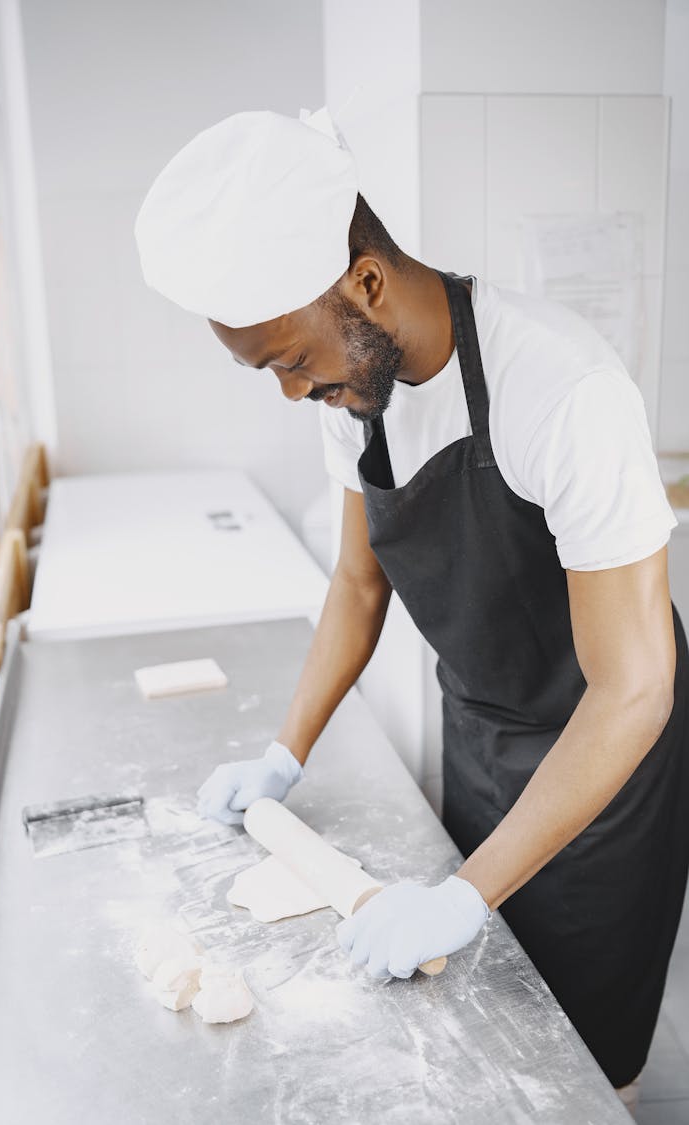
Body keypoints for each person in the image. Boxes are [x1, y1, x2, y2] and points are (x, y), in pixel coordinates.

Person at [134, 107, 689, 1103]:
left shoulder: (563, 393)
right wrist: (284, 753)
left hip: (600, 768)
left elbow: (635, 691)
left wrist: (468, 892)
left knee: (579, 1072)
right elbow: (358, 583)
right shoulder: (354, 395)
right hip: (478, 734)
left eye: (289, 361)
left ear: (367, 285)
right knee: (480, 1032)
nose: (291, 389)